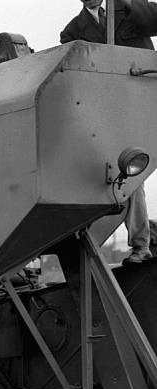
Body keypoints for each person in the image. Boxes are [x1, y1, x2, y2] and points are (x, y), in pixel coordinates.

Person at [61, 0, 157, 263]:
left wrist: (126, 3)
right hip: (102, 114)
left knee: (132, 176)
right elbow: (71, 74)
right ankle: (139, 244)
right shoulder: (71, 32)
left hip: (138, 106)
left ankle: (141, 243)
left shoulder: (128, 10)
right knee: (124, 177)